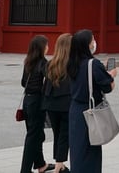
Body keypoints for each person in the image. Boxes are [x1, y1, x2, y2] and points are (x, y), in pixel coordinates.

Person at [67, 30, 117, 173]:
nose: (94, 43)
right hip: (89, 112)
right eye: (92, 40)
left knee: (77, 151)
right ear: (87, 44)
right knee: (90, 152)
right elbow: (108, 87)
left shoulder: (72, 62)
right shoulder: (93, 64)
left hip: (75, 110)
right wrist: (111, 75)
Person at [20, 35, 51, 173]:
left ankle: (40, 164)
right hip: (37, 102)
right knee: (33, 136)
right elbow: (48, 83)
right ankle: (25, 170)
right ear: (41, 48)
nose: (48, 47)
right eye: (46, 45)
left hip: (27, 100)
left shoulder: (28, 62)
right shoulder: (44, 63)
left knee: (36, 134)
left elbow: (23, 82)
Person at [43, 33, 73, 173]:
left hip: (51, 104)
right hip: (66, 104)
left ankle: (59, 162)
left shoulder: (50, 63)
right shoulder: (72, 65)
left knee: (58, 134)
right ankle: (59, 165)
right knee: (64, 135)